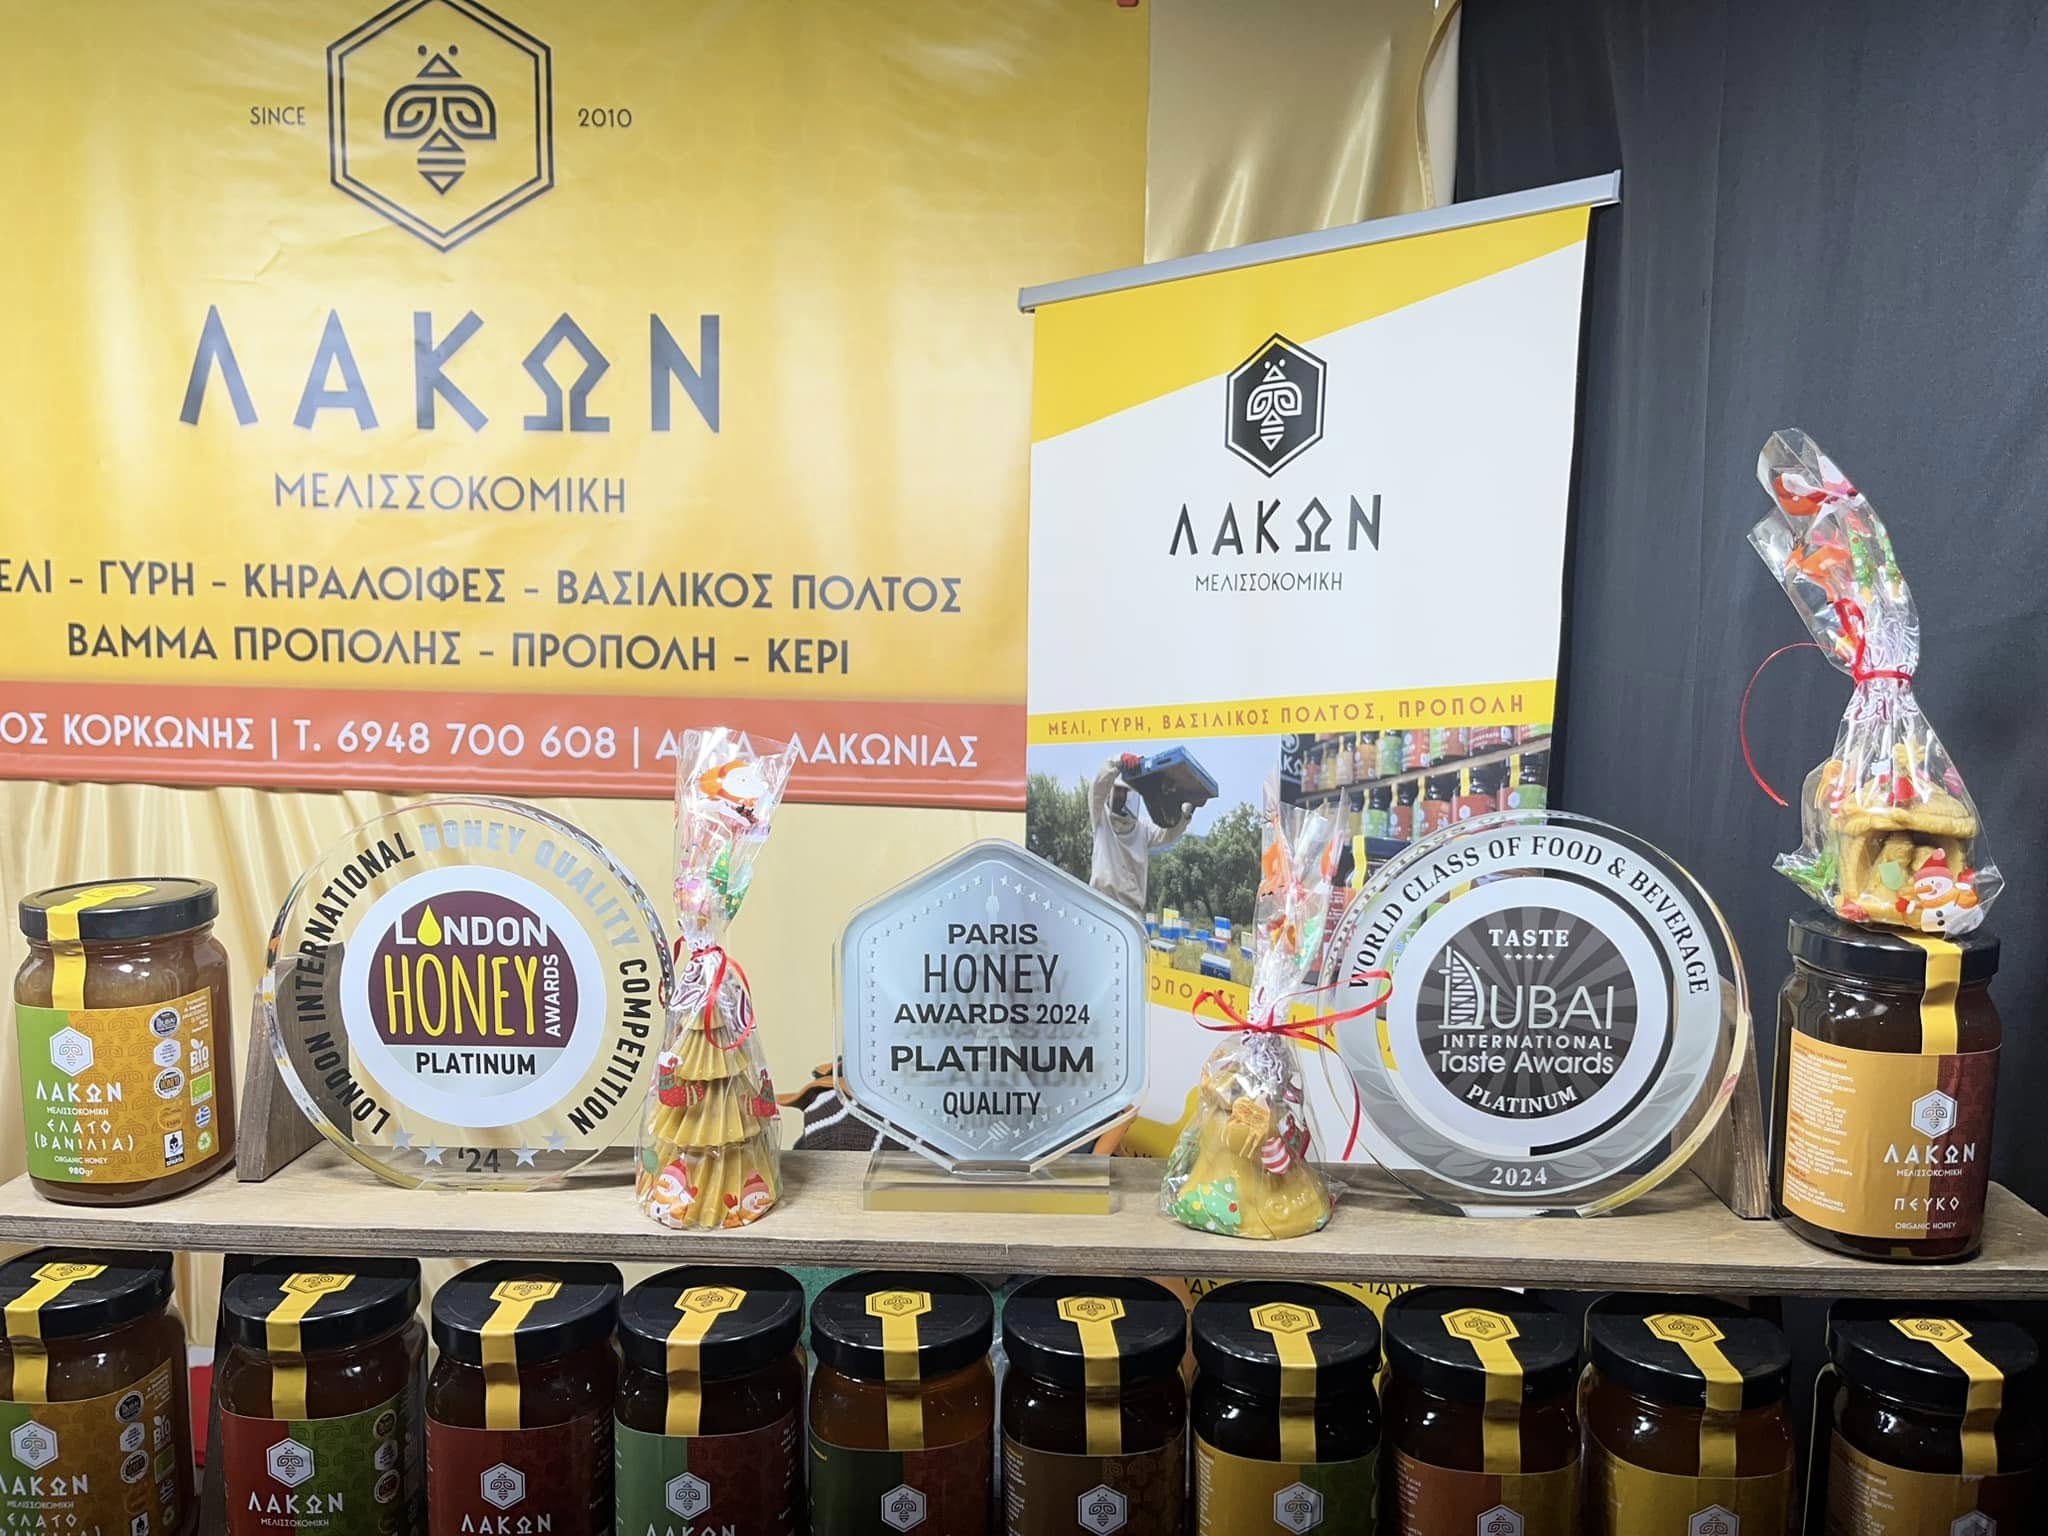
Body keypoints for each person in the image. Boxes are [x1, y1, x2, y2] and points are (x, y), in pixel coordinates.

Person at [1089, 753, 1188, 914]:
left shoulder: (1143, 828)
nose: (1121, 796)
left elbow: (1169, 834)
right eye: (1118, 790)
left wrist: (1185, 815)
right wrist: (1117, 762)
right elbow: (1097, 788)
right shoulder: (1100, 817)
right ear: (1109, 792)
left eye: (1125, 792)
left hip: (1130, 910)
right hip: (1100, 902)